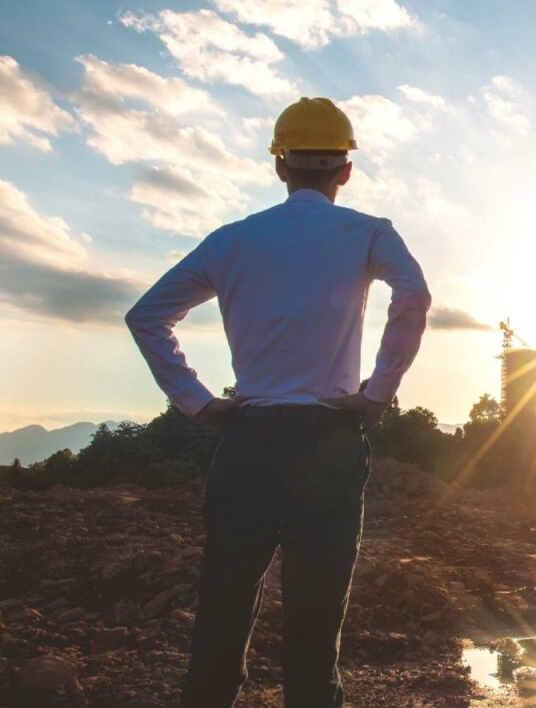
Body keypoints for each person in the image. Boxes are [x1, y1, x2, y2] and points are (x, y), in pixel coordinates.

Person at [125, 97, 432, 707]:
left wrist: (198, 402)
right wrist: (377, 394)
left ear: (279, 166)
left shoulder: (233, 240)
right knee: (316, 619)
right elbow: (414, 296)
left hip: (250, 439)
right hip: (329, 440)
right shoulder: (370, 233)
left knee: (224, 602)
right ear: (345, 169)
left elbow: (147, 316)